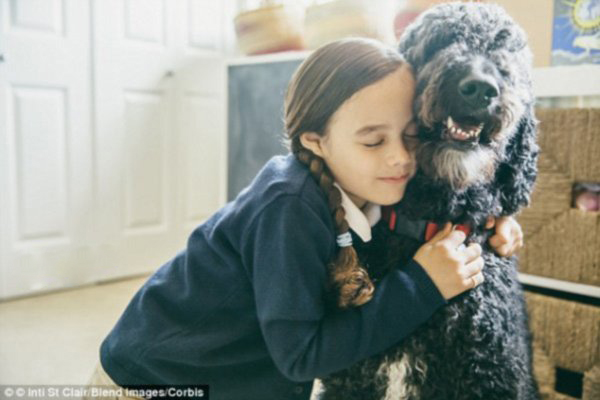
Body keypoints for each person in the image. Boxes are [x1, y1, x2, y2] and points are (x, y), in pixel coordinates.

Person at [86, 38, 523, 400]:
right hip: (151, 381)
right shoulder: (288, 206)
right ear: (316, 141)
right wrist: (422, 285)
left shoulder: (372, 183)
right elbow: (301, 356)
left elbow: (436, 205)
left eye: (411, 136)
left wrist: (493, 222)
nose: (400, 157)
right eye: (373, 141)